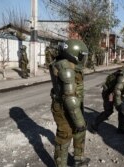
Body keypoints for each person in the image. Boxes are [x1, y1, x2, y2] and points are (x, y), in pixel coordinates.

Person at [49, 39, 90, 167]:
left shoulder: (70, 64)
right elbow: (69, 97)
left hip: (74, 104)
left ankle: (78, 159)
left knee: (80, 131)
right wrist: (79, 120)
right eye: (82, 56)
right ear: (75, 53)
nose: (84, 59)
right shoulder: (65, 67)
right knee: (64, 136)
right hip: (64, 106)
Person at [91, 66, 124, 135]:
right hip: (109, 93)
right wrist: (118, 104)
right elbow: (117, 90)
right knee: (108, 111)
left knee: (122, 110)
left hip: (116, 92)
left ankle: (121, 128)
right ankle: (94, 125)